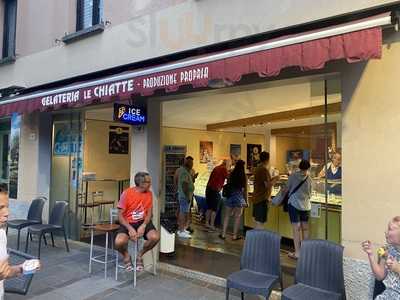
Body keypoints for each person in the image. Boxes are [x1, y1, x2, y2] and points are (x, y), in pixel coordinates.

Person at [0, 185, 40, 299]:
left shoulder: (1, 234)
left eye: (7, 206)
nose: (7, 213)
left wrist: (22, 268)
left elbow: (5, 273)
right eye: (0, 208)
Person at [115, 172, 160, 272]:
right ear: (141, 183)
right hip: (128, 223)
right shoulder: (126, 193)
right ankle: (126, 256)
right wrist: (130, 229)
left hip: (143, 221)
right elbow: (120, 216)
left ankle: (139, 255)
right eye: (148, 182)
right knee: (119, 242)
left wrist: (143, 225)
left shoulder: (149, 194)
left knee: (155, 237)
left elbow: (149, 214)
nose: (150, 183)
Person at [362, 216, 400, 299]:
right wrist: (370, 254)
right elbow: (380, 276)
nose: (386, 232)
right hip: (388, 295)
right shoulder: (386, 249)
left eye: (390, 229)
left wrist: (397, 268)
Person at [287, 160, 312, 259]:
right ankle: (305, 251)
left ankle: (297, 253)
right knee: (305, 228)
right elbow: (310, 193)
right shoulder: (309, 178)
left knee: (296, 229)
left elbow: (287, 188)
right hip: (306, 205)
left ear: (299, 166)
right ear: (308, 168)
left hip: (294, 204)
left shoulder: (293, 176)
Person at [219, 160, 247, 241]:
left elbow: (228, 184)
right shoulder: (244, 176)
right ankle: (234, 236)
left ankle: (223, 234)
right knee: (237, 217)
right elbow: (245, 190)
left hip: (230, 197)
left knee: (227, 216)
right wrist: (246, 202)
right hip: (239, 198)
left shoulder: (231, 174)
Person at [252, 151, 279, 229]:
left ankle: (255, 239)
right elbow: (267, 185)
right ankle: (259, 240)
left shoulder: (258, 168)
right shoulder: (263, 170)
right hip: (262, 199)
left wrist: (273, 178)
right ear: (267, 159)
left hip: (257, 198)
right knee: (260, 223)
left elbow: (265, 181)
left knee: (257, 221)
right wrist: (276, 179)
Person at [173, 157, 198, 234]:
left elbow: (186, 182)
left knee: (183, 211)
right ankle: (181, 228)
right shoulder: (183, 171)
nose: (192, 165)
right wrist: (186, 196)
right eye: (191, 163)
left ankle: (182, 227)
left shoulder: (184, 171)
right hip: (184, 195)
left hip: (183, 194)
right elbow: (184, 184)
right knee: (183, 212)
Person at [205, 160, 229, 231]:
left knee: (209, 207)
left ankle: (207, 223)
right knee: (214, 209)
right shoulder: (224, 169)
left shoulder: (216, 167)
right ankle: (212, 225)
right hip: (215, 190)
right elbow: (228, 178)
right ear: (226, 164)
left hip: (208, 189)